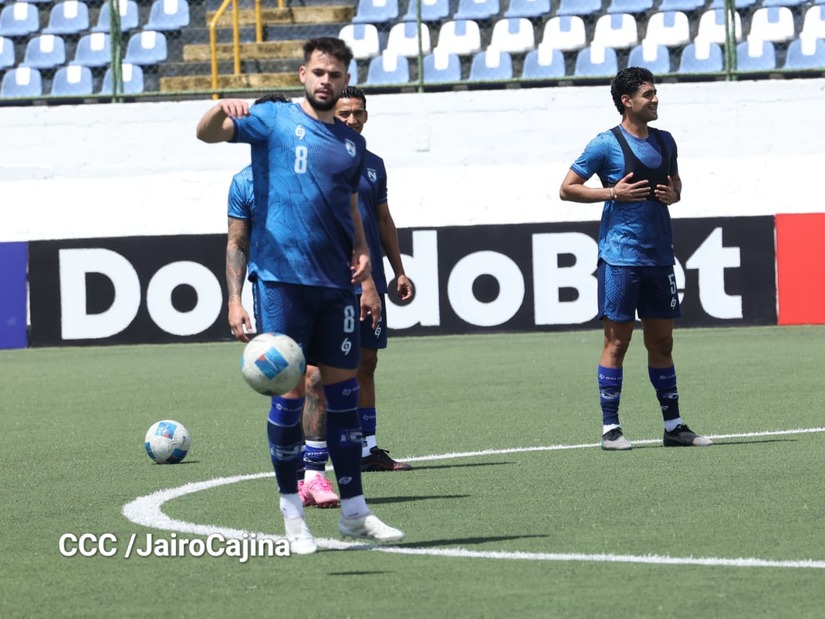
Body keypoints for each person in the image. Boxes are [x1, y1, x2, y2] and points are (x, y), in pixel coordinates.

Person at [200, 36, 405, 555]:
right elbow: (208, 134)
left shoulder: (353, 146)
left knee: (341, 400)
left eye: (335, 75)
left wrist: (362, 263)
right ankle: (292, 516)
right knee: (291, 397)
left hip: (336, 287)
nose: (326, 82)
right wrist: (216, 109)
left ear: (344, 80)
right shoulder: (271, 121)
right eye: (318, 73)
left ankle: (355, 513)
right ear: (302, 74)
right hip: (281, 283)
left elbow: (352, 210)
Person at [558, 66, 712, 451]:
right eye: (648, 94)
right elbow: (567, 189)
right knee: (617, 343)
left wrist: (675, 195)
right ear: (627, 102)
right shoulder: (604, 144)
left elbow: (676, 184)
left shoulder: (666, 141)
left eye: (655, 93)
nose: (655, 99)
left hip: (660, 258)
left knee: (662, 344)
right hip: (620, 259)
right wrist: (612, 193)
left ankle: (674, 426)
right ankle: (611, 428)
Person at [300, 87, 414, 503]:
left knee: (367, 360)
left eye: (358, 114)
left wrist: (399, 270)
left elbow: (383, 219)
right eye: (344, 113)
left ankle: (367, 450)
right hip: (329, 276)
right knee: (319, 371)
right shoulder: (315, 157)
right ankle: (312, 457)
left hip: (371, 276)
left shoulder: (374, 164)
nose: (351, 120)